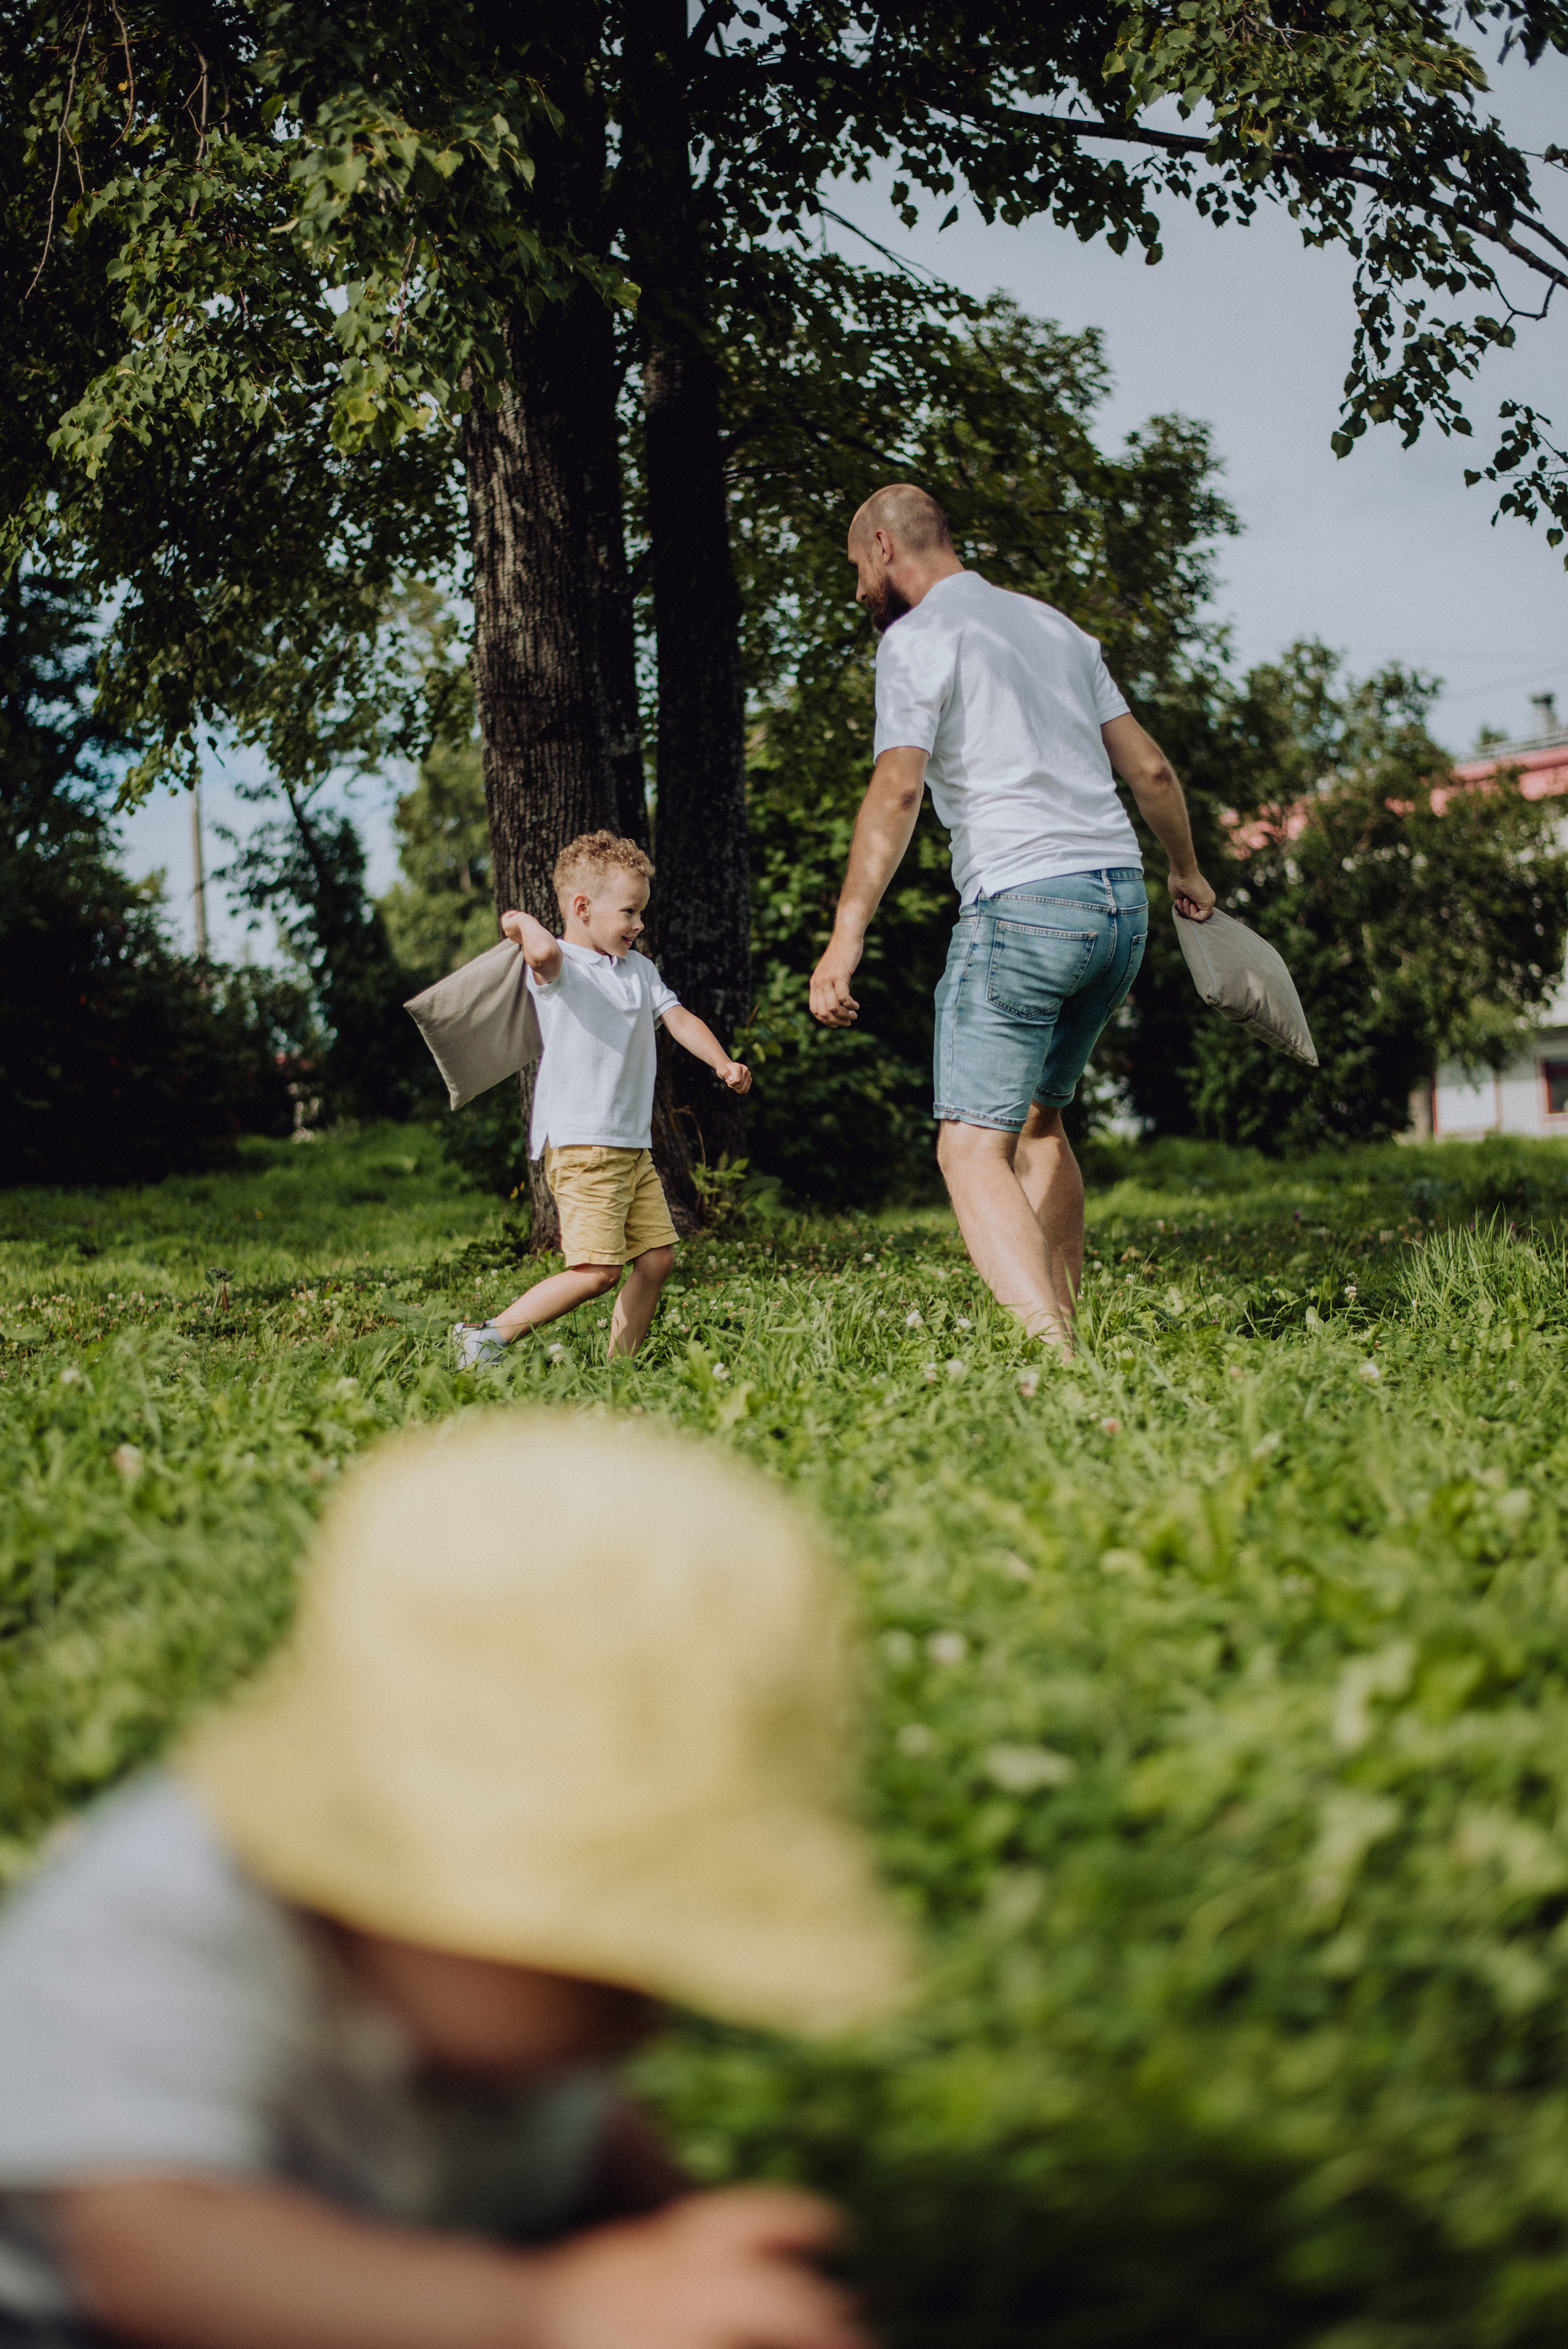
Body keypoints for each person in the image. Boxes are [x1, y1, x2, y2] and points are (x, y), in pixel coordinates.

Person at [0, 1413, 910, 2349]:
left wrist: (671, 2237)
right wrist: (555, 2309)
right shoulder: (167, 1924)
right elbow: (154, 2259)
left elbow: (587, 2125)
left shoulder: (487, 1992)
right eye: (607, 1963)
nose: (646, 2019)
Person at [809, 484, 1216, 1352]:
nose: (857, 591)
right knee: (1039, 1123)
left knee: (968, 1148)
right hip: (1118, 905)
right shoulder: (1056, 629)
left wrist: (846, 936)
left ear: (884, 546)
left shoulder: (921, 638)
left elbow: (898, 788)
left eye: (855, 569)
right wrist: (1184, 868)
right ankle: (1064, 1323)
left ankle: (1053, 1354)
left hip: (1024, 908)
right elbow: (1150, 771)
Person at [453, 831, 751, 1370]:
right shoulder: (558, 968)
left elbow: (678, 1018)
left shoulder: (638, 969)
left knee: (657, 1259)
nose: (639, 924)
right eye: (630, 911)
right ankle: (486, 1338)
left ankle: (621, 1370)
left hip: (631, 1147)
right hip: (584, 1144)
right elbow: (540, 947)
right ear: (582, 908)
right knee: (597, 1271)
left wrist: (722, 1061)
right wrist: (517, 920)